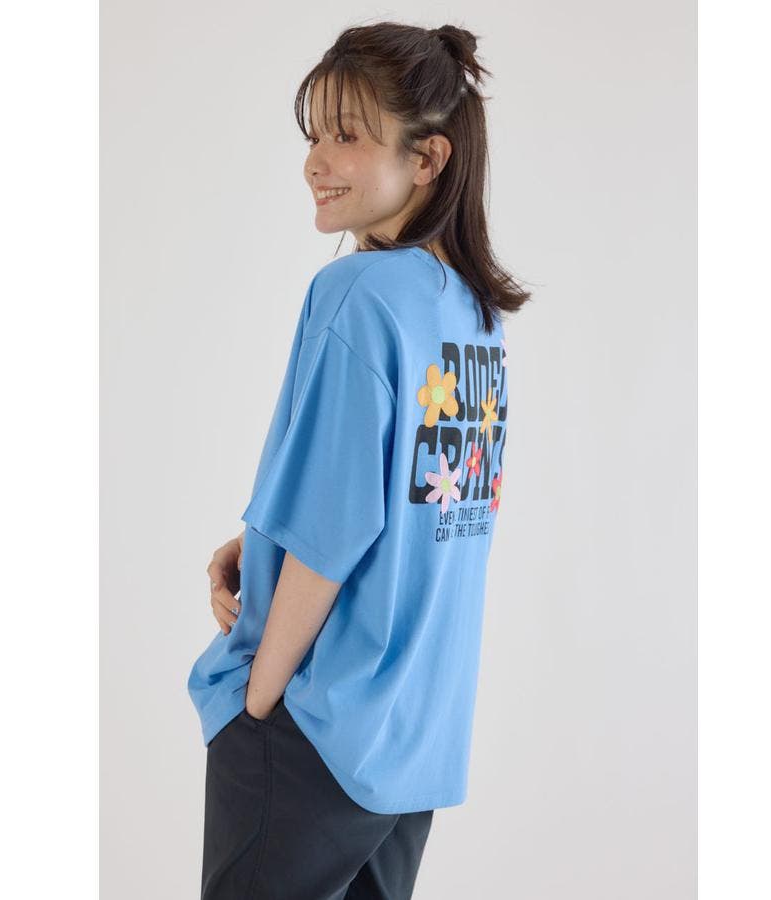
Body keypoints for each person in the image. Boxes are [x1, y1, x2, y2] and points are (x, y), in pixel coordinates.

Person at [187, 20, 531, 899]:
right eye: (314, 136)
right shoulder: (473, 318)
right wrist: (260, 543)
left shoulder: (357, 293)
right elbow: (415, 508)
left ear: (428, 159)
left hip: (317, 726)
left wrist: (257, 704)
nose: (317, 161)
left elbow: (332, 532)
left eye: (347, 135)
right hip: (415, 739)